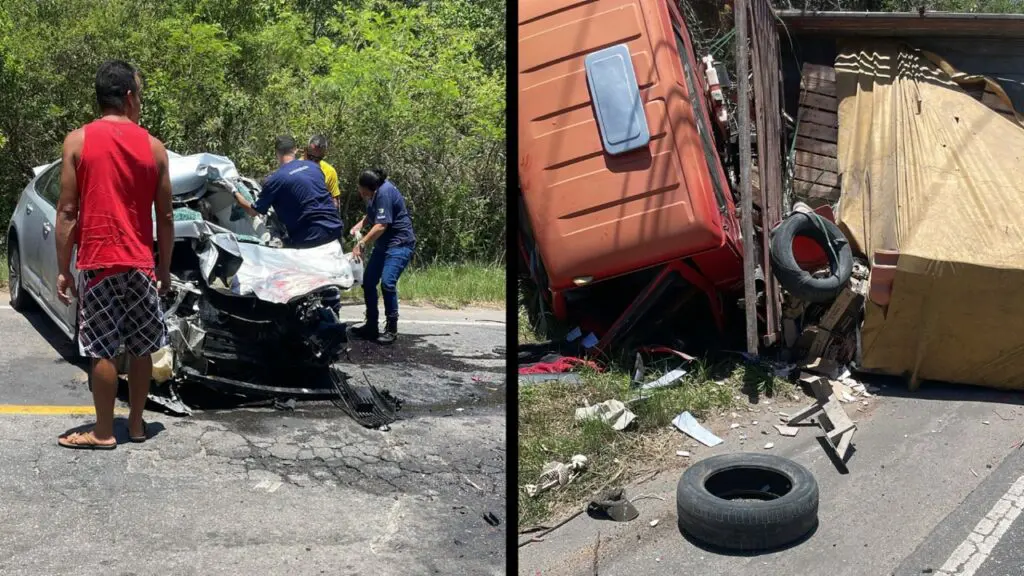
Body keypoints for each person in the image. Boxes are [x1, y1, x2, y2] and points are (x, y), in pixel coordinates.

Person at [54, 60, 174, 449]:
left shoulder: (77, 141)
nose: (140, 101)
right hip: (140, 263)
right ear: (127, 97)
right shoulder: (154, 148)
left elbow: (68, 212)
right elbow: (166, 215)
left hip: (98, 262)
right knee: (141, 346)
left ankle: (104, 432)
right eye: (139, 93)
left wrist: (63, 269)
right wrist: (165, 270)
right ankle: (136, 425)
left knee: (101, 347)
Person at [233, 135, 343, 248]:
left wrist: (234, 193)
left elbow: (253, 212)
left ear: (276, 152)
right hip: (335, 230)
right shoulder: (315, 168)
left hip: (309, 238)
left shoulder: (274, 180)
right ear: (295, 150)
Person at [349, 169, 416, 344]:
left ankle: (391, 329)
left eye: (363, 191)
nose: (361, 194)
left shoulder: (385, 193)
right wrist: (360, 225)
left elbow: (381, 225)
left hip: (399, 244)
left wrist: (361, 243)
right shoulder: (376, 192)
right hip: (383, 245)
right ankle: (371, 325)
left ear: (371, 188)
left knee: (387, 283)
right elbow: (373, 214)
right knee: (369, 281)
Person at [305, 134, 341, 210]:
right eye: (310, 157)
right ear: (306, 150)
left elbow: (335, 202)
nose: (313, 161)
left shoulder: (330, 171)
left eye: (317, 159)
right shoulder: (295, 167)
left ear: (324, 155)